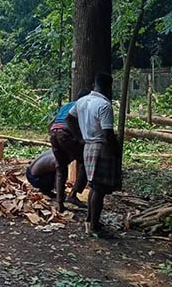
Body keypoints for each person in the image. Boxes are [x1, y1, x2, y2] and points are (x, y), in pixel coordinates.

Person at [66, 73, 121, 237]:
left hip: (88, 146)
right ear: (108, 87)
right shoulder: (104, 105)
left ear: (94, 84)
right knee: (99, 188)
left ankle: (90, 219)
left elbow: (69, 119)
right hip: (101, 146)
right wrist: (116, 150)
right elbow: (108, 132)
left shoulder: (81, 101)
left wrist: (79, 137)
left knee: (94, 186)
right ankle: (94, 226)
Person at [49, 89, 90, 213]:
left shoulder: (67, 105)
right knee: (85, 162)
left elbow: (52, 121)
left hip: (54, 133)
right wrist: (79, 139)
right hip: (65, 134)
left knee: (61, 168)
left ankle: (60, 202)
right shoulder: (82, 106)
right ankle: (73, 194)